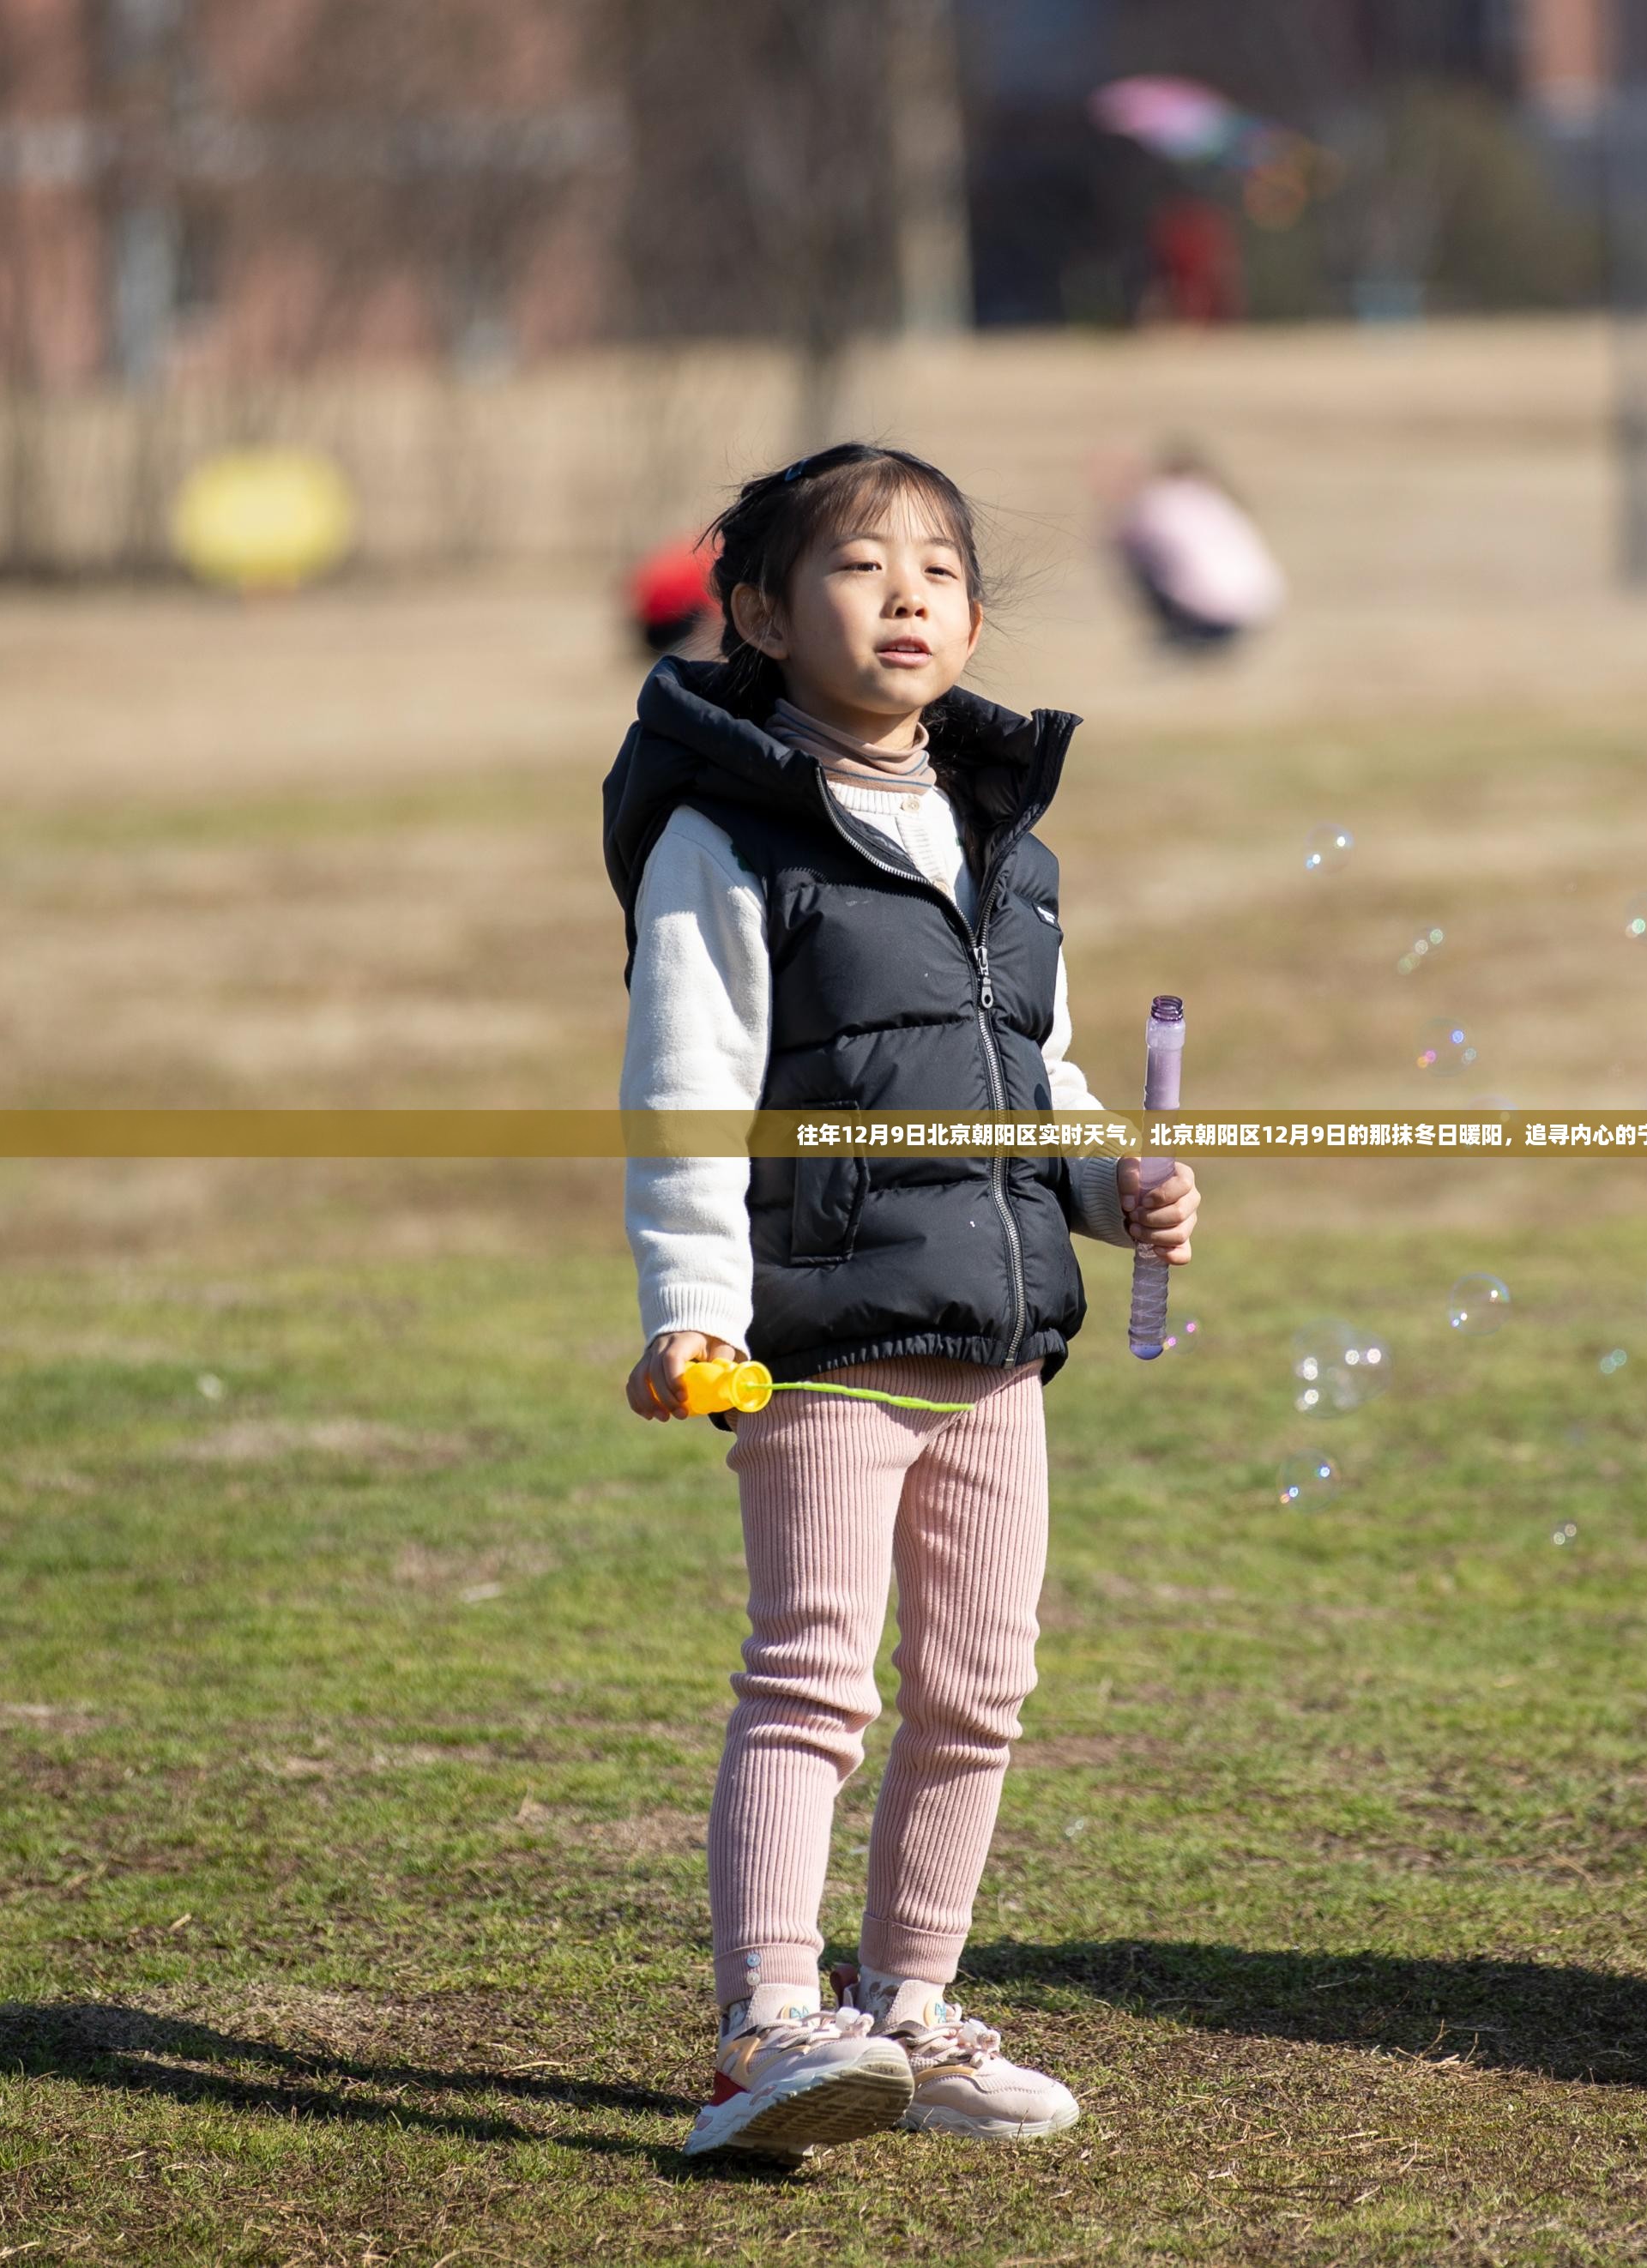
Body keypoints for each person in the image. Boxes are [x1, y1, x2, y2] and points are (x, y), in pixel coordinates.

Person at [600, 443, 1203, 2162]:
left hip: (991, 1345)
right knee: (811, 1683)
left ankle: (909, 2012)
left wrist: (1111, 1185)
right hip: (817, 1351)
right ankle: (763, 2030)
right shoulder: (724, 838)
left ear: (976, 613)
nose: (907, 596)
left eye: (937, 567)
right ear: (760, 617)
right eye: (859, 568)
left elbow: (1043, 1079)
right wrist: (689, 1309)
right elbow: (687, 1095)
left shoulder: (1003, 839)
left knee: (975, 1689)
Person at [1108, 442, 1283, 652]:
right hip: (1260, 608)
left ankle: (1178, 632)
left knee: (1134, 552)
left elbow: (1121, 536)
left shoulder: (1159, 504)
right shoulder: (1216, 498)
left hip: (1210, 615)